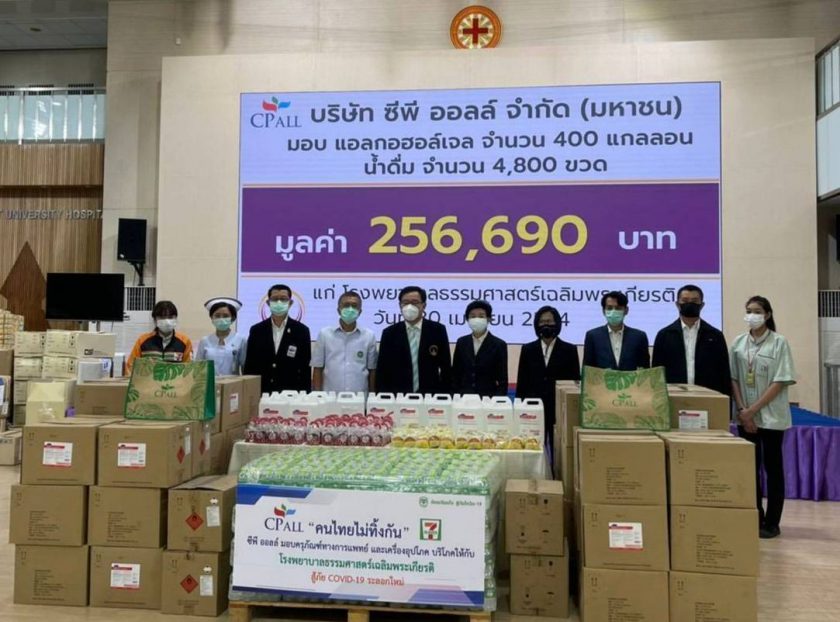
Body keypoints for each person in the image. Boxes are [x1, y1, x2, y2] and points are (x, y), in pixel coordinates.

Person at [730, 295, 796, 539]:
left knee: (773, 469)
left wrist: (753, 410)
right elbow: (733, 378)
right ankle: (754, 517)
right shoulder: (738, 343)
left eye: (757, 311)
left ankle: (772, 522)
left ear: (767, 314)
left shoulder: (779, 342)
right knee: (750, 469)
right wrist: (743, 411)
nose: (752, 315)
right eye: (749, 310)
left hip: (771, 417)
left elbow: (780, 380)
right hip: (744, 416)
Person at [515, 306, 580, 450]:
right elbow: (522, 382)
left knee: (559, 449)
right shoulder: (527, 349)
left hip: (559, 408)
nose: (546, 325)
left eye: (550, 321)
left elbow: (575, 384)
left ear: (557, 323)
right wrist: (519, 407)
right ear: (536, 325)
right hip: (533, 408)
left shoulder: (569, 350)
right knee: (533, 447)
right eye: (542, 322)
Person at [651, 284, 731, 395]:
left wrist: (725, 400)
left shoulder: (715, 335)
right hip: (674, 397)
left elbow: (724, 372)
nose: (689, 304)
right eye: (685, 300)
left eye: (694, 301)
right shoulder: (664, 335)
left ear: (702, 305)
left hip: (708, 396)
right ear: (677, 304)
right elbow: (656, 373)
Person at [375, 285, 451, 395]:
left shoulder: (438, 330)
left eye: (415, 302)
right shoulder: (389, 333)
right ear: (400, 306)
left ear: (424, 306)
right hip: (398, 396)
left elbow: (446, 367)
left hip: (431, 396)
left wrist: (445, 395)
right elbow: (382, 370)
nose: (409, 307)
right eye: (405, 303)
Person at [243, 284, 311, 394]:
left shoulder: (302, 331)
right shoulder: (256, 330)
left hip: (290, 393)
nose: (279, 302)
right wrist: (248, 393)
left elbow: (305, 368)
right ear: (268, 303)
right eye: (275, 299)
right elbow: (250, 366)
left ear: (290, 303)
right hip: (262, 392)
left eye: (283, 299)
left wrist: (305, 395)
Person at [312, 290, 378, 393]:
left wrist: (372, 396)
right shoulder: (324, 334)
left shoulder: (369, 336)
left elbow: (372, 370)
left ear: (360, 311)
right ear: (338, 310)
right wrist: (317, 395)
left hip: (360, 397)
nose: (350, 309)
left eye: (354, 306)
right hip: (330, 396)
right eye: (346, 305)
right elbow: (317, 368)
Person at [452, 300, 508, 397]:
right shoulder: (461, 342)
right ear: (467, 319)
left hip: (489, 399)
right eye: (473, 316)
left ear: (489, 319)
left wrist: (497, 401)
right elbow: (455, 375)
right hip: (463, 398)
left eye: (481, 316)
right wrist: (455, 396)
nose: (477, 319)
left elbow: (502, 380)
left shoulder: (499, 345)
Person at [582, 291, 650, 371]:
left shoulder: (639, 337)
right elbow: (588, 371)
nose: (613, 311)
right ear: (603, 311)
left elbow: (645, 371)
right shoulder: (592, 336)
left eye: (618, 308)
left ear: (626, 310)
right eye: (609, 308)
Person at [126, 300, 192, 373]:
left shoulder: (185, 341)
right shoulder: (142, 340)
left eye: (170, 317)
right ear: (155, 320)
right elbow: (130, 367)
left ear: (175, 319)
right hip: (147, 380)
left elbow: (189, 369)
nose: (167, 321)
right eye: (162, 317)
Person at [195, 297, 248, 376]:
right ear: (211, 318)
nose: (221, 319)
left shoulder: (240, 340)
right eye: (217, 316)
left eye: (225, 316)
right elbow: (198, 368)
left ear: (233, 318)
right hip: (210, 383)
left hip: (233, 383)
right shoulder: (205, 341)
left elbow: (245, 369)